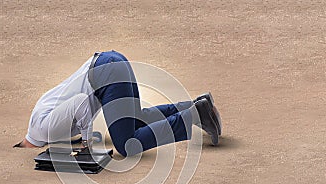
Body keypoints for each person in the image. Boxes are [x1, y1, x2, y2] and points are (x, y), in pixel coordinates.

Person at [14, 50, 222, 156]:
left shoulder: (42, 131)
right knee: (135, 120)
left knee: (126, 144)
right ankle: (196, 105)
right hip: (110, 63)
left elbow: (80, 103)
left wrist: (87, 145)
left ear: (27, 146)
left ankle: (195, 115)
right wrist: (82, 139)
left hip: (105, 75)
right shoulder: (41, 123)